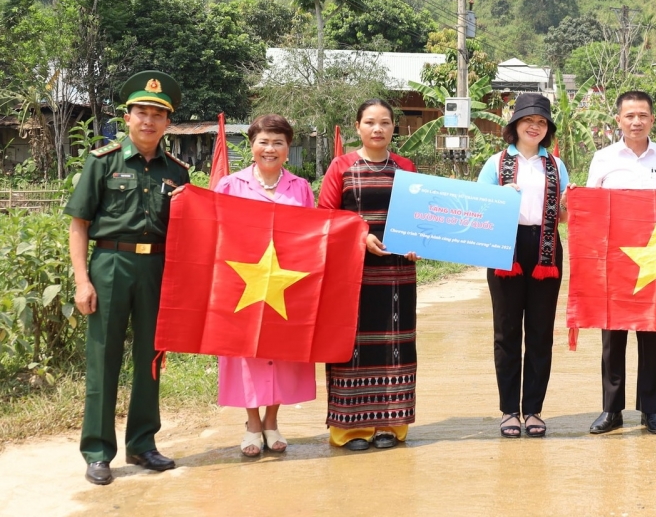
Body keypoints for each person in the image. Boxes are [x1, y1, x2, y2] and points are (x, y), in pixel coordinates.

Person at [65, 71, 190, 485]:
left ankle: (142, 443)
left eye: (157, 114)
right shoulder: (103, 161)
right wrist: (82, 281)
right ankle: (98, 451)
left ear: (168, 123)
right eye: (141, 112)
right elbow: (79, 222)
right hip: (110, 267)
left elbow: (189, 228)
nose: (148, 121)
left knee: (150, 359)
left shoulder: (177, 171)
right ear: (127, 116)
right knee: (104, 360)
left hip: (157, 269)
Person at [318, 99, 421, 451]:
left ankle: (390, 425)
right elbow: (325, 219)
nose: (378, 129)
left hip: (397, 274)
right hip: (352, 274)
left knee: (395, 347)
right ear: (357, 126)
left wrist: (416, 240)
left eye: (385, 123)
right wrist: (359, 236)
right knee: (352, 347)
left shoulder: (406, 167)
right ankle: (350, 429)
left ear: (395, 128)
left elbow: (420, 215)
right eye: (370, 122)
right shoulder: (341, 167)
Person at [212, 114, 316, 456]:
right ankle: (252, 425)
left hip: (286, 283)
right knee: (247, 351)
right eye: (263, 142)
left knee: (281, 349)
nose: (270, 149)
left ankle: (272, 422)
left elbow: (314, 234)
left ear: (288, 148)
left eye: (278, 143)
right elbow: (214, 229)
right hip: (244, 284)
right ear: (252, 145)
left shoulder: (300, 188)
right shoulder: (230, 185)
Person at [585, 90, 656, 435]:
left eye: (643, 115)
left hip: (655, 258)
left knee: (651, 334)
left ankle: (651, 411)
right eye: (629, 116)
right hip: (613, 261)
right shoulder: (603, 158)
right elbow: (590, 209)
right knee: (613, 336)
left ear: (652, 119)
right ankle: (611, 410)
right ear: (619, 121)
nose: (636, 121)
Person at [476, 93, 569, 439]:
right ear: (514, 124)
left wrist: (571, 206)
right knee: (506, 332)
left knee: (541, 332)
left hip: (546, 249)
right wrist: (501, 200)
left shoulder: (556, 165)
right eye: (529, 120)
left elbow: (563, 215)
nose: (535, 126)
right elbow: (479, 209)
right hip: (504, 249)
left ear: (548, 129)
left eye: (542, 121)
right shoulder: (495, 163)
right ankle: (508, 411)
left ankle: (533, 409)